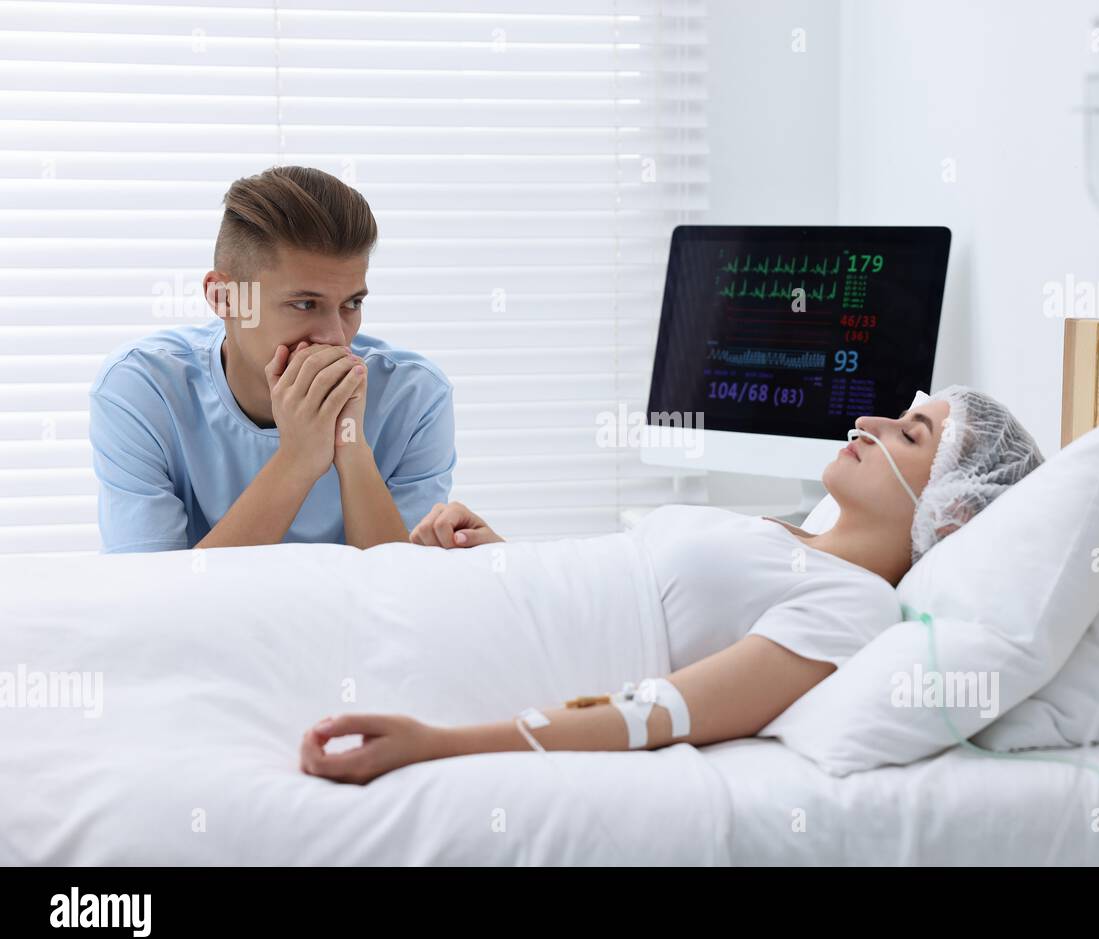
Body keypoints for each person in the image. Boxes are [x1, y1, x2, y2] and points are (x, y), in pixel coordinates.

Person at [300, 386, 1044, 784]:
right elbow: (630, 583)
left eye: (910, 435)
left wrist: (439, 745)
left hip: (460, 656)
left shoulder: (856, 605)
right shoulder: (789, 535)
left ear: (952, 514)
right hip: (435, 591)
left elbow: (658, 714)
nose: (867, 421)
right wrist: (500, 556)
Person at [88, 166, 456, 553]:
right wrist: (298, 459)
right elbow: (155, 599)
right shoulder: (141, 389)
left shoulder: (415, 397)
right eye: (304, 304)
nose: (335, 337)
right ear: (225, 298)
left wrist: (351, 447)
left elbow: (405, 595)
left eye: (352, 303)